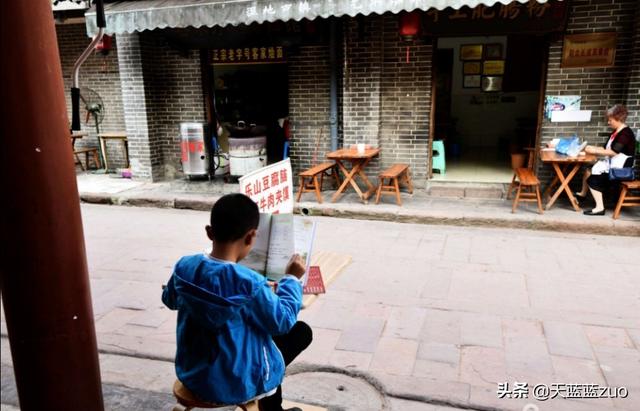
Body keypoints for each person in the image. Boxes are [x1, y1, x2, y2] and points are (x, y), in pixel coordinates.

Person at [162, 193, 312, 411]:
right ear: (251, 237)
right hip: (236, 384)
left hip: (192, 374)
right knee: (299, 332)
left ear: (209, 232)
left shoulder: (184, 267)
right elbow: (283, 321)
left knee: (259, 332)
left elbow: (169, 300)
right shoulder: (249, 284)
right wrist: (291, 279)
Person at [576, 104, 636, 216]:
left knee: (592, 180)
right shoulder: (615, 132)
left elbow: (613, 152)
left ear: (618, 119)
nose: (608, 122)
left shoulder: (625, 133)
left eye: (610, 120)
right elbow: (605, 148)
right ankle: (583, 195)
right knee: (588, 171)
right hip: (613, 165)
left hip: (621, 170)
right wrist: (590, 147)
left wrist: (593, 151)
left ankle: (600, 208)